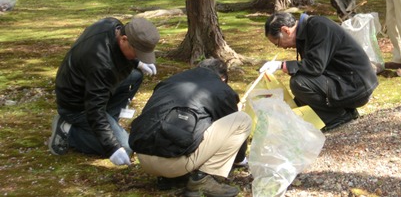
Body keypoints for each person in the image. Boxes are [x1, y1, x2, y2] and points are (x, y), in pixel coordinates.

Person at [48, 17, 160, 166]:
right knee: (125, 148)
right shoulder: (101, 64)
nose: (139, 57)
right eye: (137, 53)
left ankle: (107, 123)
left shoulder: (112, 24)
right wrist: (112, 147)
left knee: (135, 77)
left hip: (88, 87)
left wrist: (137, 62)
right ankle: (70, 132)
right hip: (77, 105)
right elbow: (94, 109)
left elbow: (116, 55)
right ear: (124, 39)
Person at [130, 59, 250, 197]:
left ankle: (170, 178)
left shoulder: (171, 80)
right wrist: (240, 159)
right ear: (223, 77)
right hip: (175, 164)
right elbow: (230, 129)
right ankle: (203, 179)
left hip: (143, 158)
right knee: (242, 120)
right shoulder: (222, 89)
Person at [261, 12, 378, 132]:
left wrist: (282, 65)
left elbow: (315, 66)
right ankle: (346, 112)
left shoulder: (319, 27)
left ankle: (339, 117)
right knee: (301, 84)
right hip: (346, 80)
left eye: (278, 43)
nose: (282, 48)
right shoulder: (306, 33)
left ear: (286, 30)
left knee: (298, 82)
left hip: (357, 85)